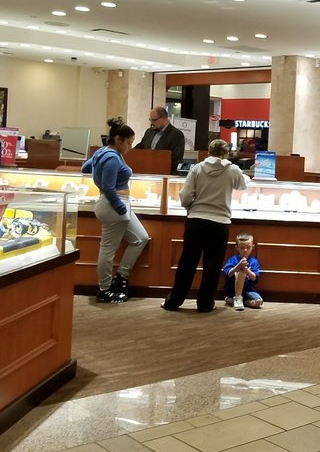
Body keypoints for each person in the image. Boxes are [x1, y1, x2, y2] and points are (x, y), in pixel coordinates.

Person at [162, 139, 250, 312]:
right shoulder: (232, 169)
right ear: (226, 154)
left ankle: (174, 301)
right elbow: (242, 185)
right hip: (220, 222)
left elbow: (185, 195)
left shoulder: (197, 168)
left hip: (196, 220)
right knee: (212, 265)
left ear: (208, 152)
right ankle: (205, 304)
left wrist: (191, 207)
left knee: (187, 263)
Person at [82, 116, 150, 303]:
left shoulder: (103, 152)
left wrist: (98, 167)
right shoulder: (112, 157)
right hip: (114, 206)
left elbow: (85, 168)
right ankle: (104, 289)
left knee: (141, 238)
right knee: (108, 249)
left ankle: (121, 276)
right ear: (118, 139)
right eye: (128, 143)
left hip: (117, 205)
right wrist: (120, 209)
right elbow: (108, 187)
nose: (130, 147)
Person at [135, 106, 185, 173]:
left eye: (154, 120)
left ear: (163, 118)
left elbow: (176, 159)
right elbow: (140, 148)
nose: (151, 123)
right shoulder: (149, 132)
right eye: (150, 120)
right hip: (146, 172)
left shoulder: (176, 135)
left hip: (164, 174)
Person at [223, 232, 263, 310]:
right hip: (233, 290)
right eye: (242, 248)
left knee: (258, 301)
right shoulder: (233, 259)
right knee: (241, 272)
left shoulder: (254, 261)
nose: (245, 250)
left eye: (248, 247)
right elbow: (228, 274)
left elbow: (254, 278)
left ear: (252, 247)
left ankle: (238, 302)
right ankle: (237, 298)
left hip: (248, 290)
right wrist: (238, 267)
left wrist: (246, 270)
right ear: (237, 247)